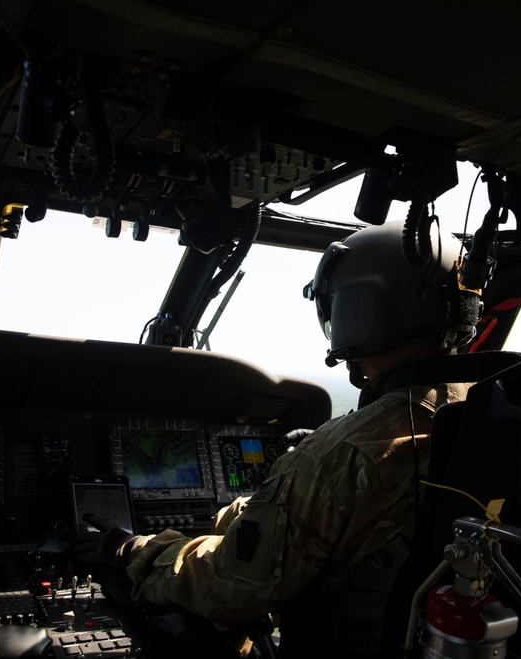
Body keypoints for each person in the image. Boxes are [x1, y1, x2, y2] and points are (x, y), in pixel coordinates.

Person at [82, 217, 475, 658]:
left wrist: (135, 550)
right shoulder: (487, 410)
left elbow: (234, 585)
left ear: (355, 308)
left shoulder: (343, 453)